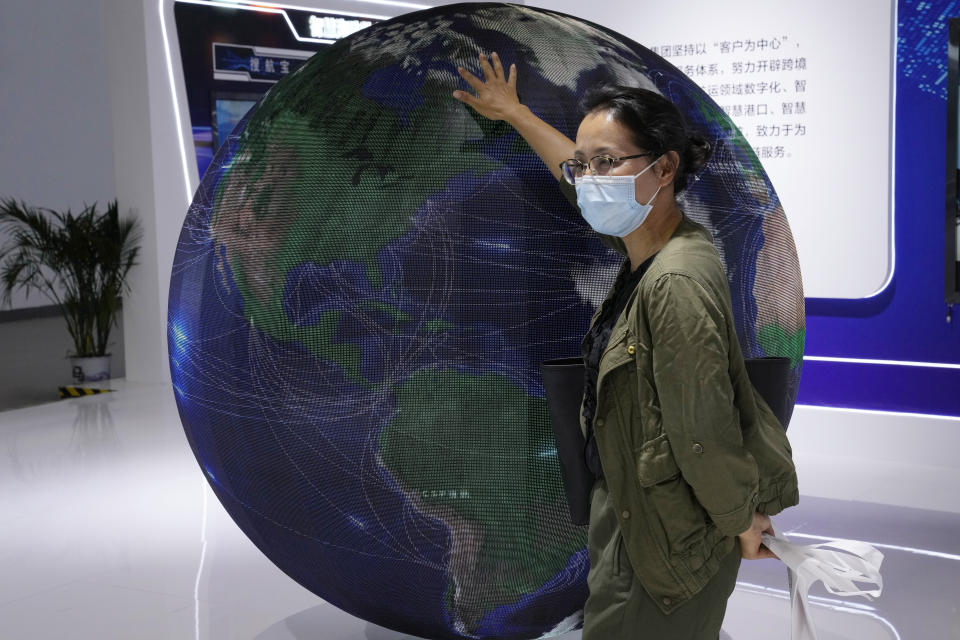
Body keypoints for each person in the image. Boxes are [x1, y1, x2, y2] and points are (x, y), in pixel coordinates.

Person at [453, 52, 799, 639]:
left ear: (664, 169)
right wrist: (516, 114)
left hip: (669, 543)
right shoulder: (646, 246)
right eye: (582, 166)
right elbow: (587, 181)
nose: (589, 178)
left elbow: (702, 434)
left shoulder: (676, 283)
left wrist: (740, 520)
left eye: (606, 162)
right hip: (638, 521)